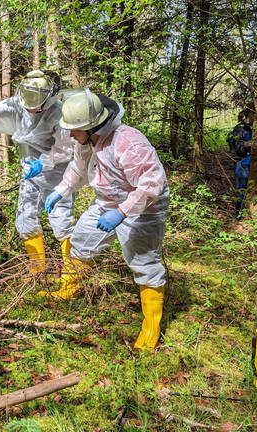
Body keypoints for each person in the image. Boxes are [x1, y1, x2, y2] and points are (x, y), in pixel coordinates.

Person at [42, 88, 169, 351]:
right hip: (106, 203)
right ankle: (70, 288)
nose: (69, 135)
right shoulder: (86, 142)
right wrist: (60, 190)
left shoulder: (127, 142)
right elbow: (78, 169)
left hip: (144, 208)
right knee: (81, 240)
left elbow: (152, 184)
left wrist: (122, 212)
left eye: (74, 129)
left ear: (92, 127)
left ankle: (151, 329)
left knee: (144, 262)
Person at [0, 70, 75, 276]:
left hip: (58, 176)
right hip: (30, 173)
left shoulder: (59, 113)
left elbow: (65, 148)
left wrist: (44, 162)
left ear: (49, 97)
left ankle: (71, 275)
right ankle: (37, 271)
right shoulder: (16, 105)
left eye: (37, 101)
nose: (32, 106)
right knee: (25, 218)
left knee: (61, 220)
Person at [227, 109, 254, 214]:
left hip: (253, 164)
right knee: (242, 191)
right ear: (250, 114)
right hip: (243, 164)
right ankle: (239, 215)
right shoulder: (240, 129)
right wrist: (253, 144)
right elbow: (239, 148)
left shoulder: (255, 128)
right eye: (255, 114)